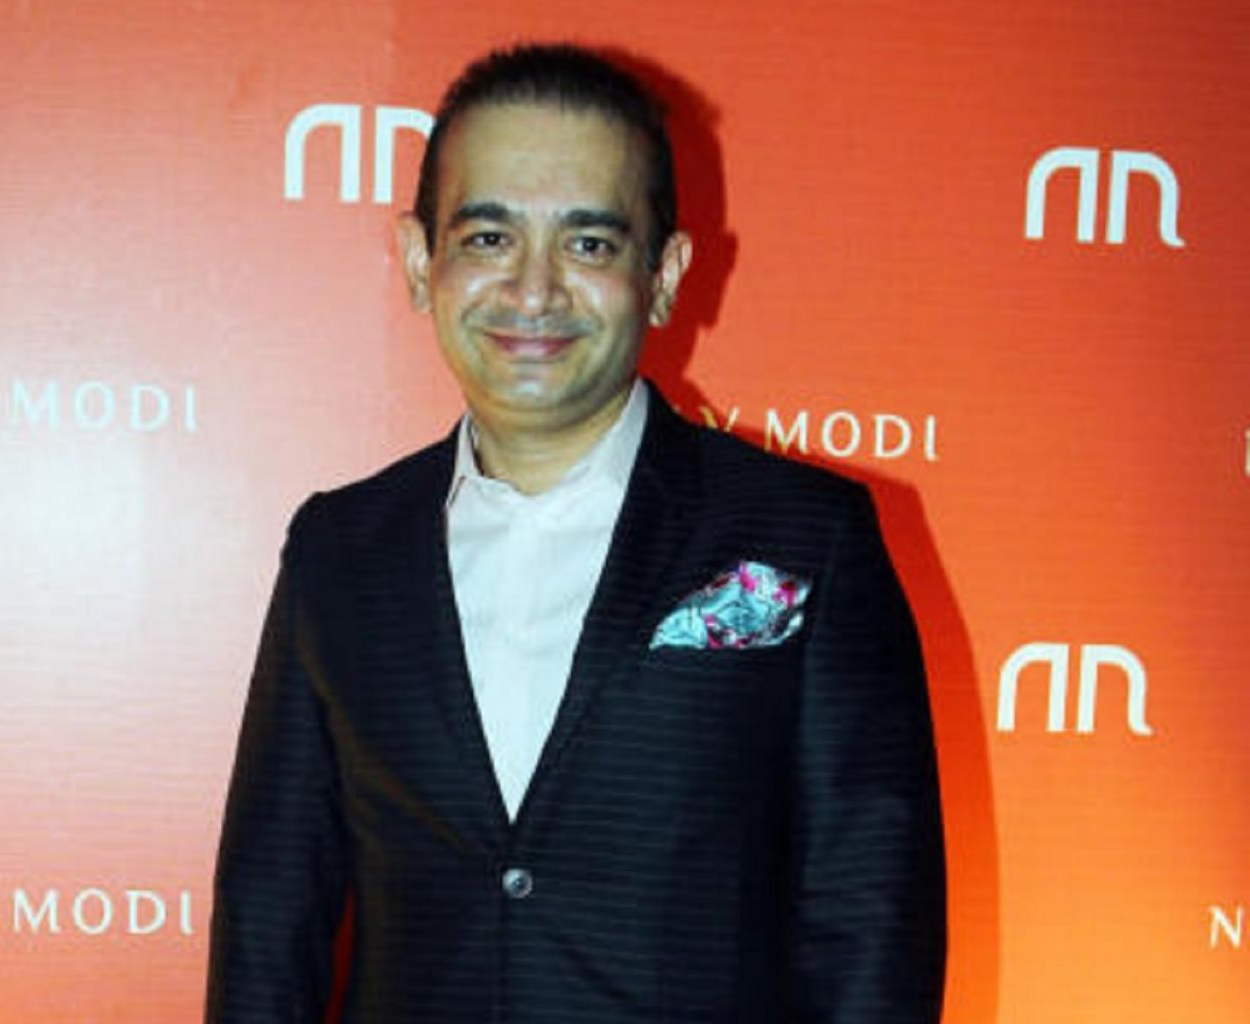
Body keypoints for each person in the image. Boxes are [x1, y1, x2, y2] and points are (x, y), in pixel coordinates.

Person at [207, 43, 945, 1023]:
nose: (533, 290)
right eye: (488, 238)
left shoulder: (808, 536)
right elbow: (271, 912)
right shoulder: (338, 550)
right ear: (421, 262)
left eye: (589, 244)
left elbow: (870, 917)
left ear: (664, 274)